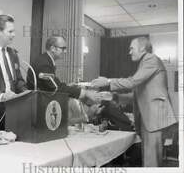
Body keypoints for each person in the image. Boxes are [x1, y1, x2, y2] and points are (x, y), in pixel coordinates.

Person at [91, 37, 177, 167]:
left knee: (151, 164)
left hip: (153, 120)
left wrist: (108, 82)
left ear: (142, 48)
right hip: (150, 120)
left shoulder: (150, 59)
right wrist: (113, 97)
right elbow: (137, 95)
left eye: (131, 48)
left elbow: (131, 82)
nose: (129, 52)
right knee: (149, 162)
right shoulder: (144, 65)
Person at [26, 35, 101, 102]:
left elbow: (52, 85)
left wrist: (68, 86)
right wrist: (85, 93)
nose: (65, 51)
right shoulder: (44, 64)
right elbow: (56, 88)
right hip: (37, 104)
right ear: (53, 48)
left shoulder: (45, 60)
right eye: (63, 48)